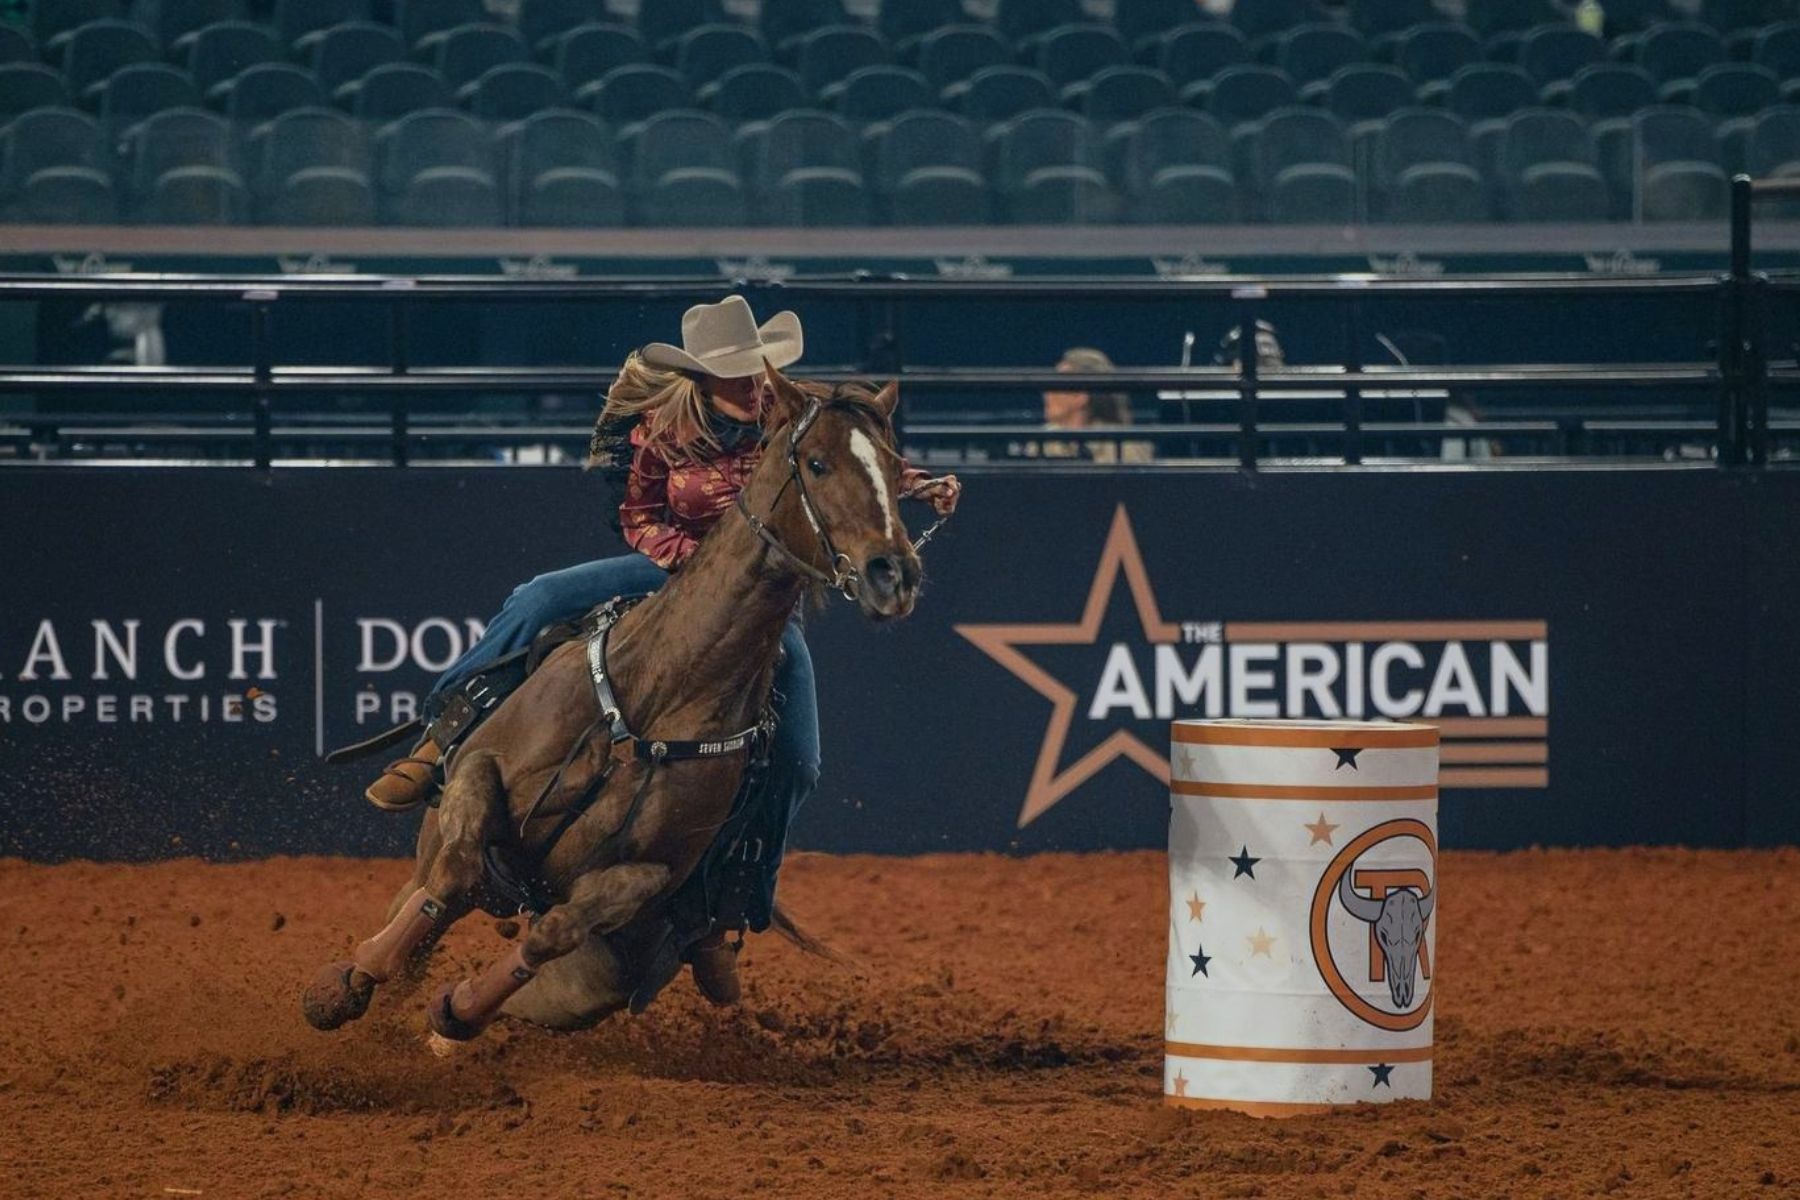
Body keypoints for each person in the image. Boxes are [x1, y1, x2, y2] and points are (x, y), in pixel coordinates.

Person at [364, 296, 961, 1002]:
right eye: (732, 374)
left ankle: (728, 908)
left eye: (752, 372)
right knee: (538, 598)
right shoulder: (664, 432)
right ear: (702, 379)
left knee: (798, 760)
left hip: (760, 599)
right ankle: (438, 739)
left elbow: (852, 469)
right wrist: (688, 565)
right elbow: (637, 515)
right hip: (667, 571)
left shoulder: (792, 421)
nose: (749, 385)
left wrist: (917, 485)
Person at [1024, 347, 1154, 464]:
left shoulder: (1122, 445)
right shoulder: (1042, 442)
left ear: (1081, 396)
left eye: (1056, 386)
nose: (1047, 394)